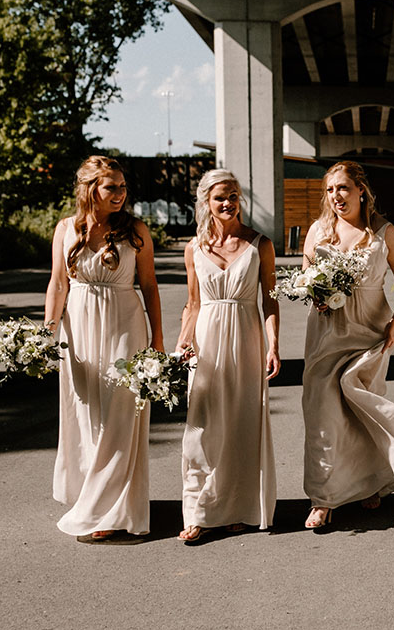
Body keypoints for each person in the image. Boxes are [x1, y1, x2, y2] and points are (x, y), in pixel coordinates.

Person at [44, 156, 163, 540]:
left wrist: (157, 339)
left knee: (120, 414)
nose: (120, 193)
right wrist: (47, 333)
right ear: (90, 189)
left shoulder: (136, 230)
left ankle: (106, 511)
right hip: (77, 329)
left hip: (124, 325)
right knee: (86, 413)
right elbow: (58, 284)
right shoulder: (65, 228)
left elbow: (150, 286)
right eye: (112, 186)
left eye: (123, 186)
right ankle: (92, 497)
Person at [301, 161, 394, 529]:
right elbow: (305, 275)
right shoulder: (319, 231)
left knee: (362, 412)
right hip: (326, 332)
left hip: (369, 332)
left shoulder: (384, 233)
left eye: (344, 188)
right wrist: (314, 291)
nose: (336, 196)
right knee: (322, 413)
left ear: (361, 191)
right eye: (331, 190)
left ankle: (371, 481)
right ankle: (323, 497)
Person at [173, 170, 279, 543]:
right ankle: (197, 510)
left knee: (240, 424)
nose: (228, 203)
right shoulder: (194, 248)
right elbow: (193, 303)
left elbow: (269, 299)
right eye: (220, 197)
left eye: (233, 195)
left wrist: (273, 345)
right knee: (200, 426)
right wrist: (183, 342)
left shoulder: (260, 243)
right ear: (206, 202)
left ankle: (237, 507)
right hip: (206, 342)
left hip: (246, 338)